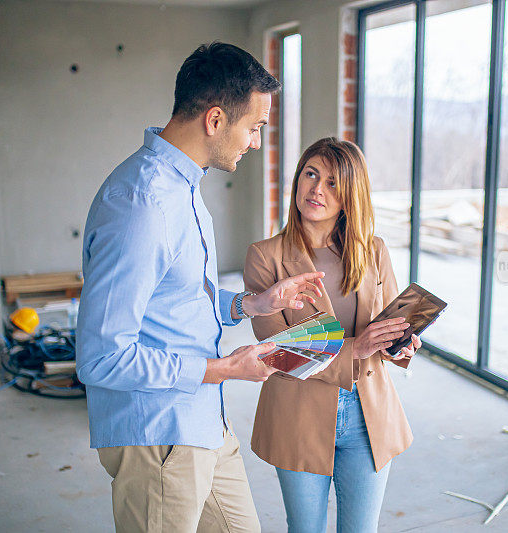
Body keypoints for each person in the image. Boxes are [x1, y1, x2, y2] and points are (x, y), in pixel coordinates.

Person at [76, 42, 325, 533]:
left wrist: (252, 303)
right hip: (159, 439)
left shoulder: (182, 187)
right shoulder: (143, 205)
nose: (256, 142)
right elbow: (101, 356)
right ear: (215, 120)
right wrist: (224, 368)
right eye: (254, 127)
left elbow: (180, 296)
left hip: (202, 421)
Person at [243, 137, 421, 533]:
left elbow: (387, 327)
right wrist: (357, 347)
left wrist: (400, 344)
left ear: (350, 195)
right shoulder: (265, 256)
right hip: (297, 414)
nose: (317, 189)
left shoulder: (372, 251)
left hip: (367, 413)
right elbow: (276, 353)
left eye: (333, 182)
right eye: (311, 174)